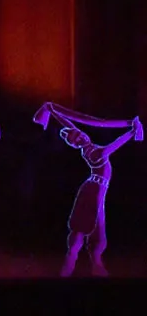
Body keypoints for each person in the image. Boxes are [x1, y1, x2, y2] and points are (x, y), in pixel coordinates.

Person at [55, 118, 141, 277]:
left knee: (95, 224)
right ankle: (73, 263)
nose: (81, 137)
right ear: (75, 144)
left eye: (80, 134)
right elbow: (115, 145)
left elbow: (72, 128)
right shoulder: (95, 152)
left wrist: (56, 113)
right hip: (93, 190)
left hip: (95, 189)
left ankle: (93, 263)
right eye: (77, 139)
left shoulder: (88, 147)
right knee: (85, 224)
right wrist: (132, 131)